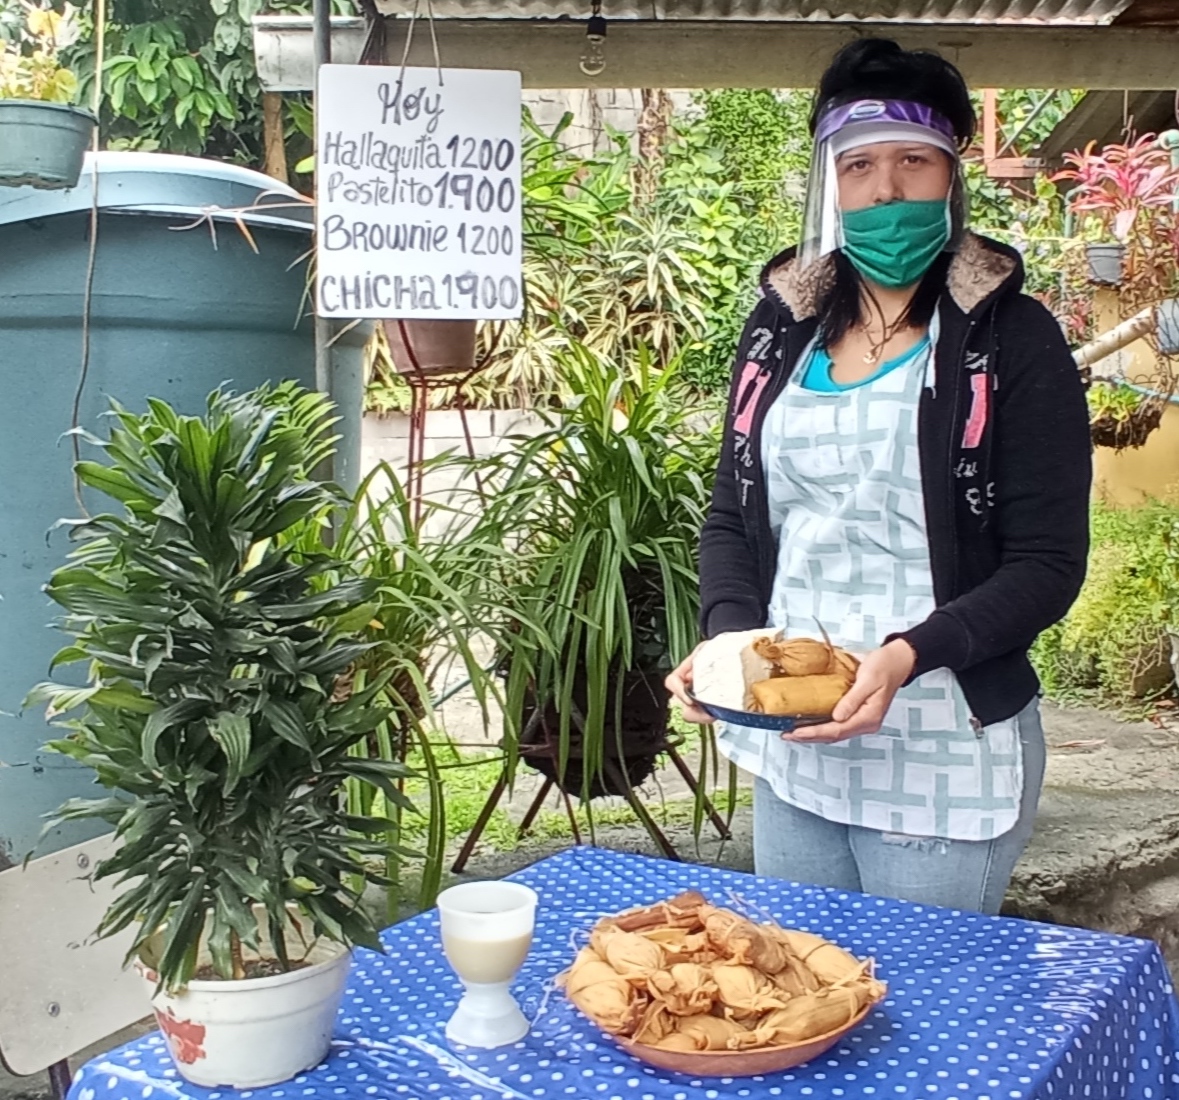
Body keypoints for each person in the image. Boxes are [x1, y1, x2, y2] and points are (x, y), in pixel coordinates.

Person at [666, 37, 1091, 915]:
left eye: (912, 161)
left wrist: (905, 656)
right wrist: (729, 642)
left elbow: (1046, 564)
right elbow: (729, 517)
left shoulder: (1011, 339)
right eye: (858, 166)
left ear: (951, 174)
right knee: (802, 984)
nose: (885, 189)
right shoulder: (780, 330)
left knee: (924, 1011)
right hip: (794, 729)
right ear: (830, 180)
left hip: (941, 734)